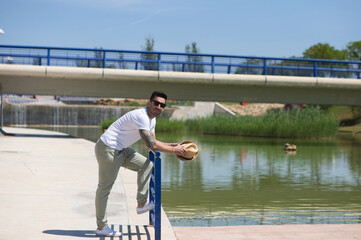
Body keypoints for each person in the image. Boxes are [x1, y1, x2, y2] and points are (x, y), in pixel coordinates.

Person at [94, 91, 187, 237]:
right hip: (108, 148)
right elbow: (151, 144)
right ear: (149, 103)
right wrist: (174, 150)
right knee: (104, 188)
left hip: (121, 149)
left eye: (162, 105)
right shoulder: (141, 116)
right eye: (156, 103)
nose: (159, 107)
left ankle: (141, 204)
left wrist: (171, 145)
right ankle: (101, 227)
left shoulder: (152, 120)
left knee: (146, 165)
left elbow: (154, 142)